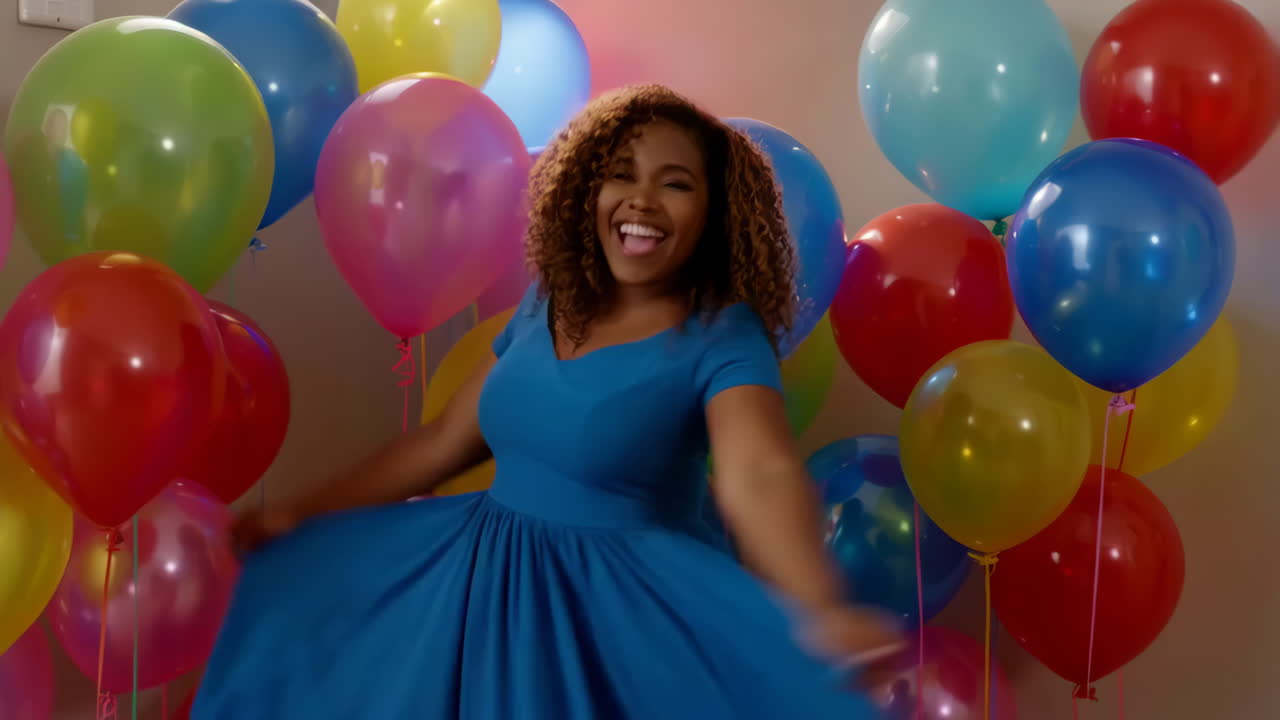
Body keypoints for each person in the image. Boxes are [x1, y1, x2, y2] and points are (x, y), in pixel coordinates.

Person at [194, 84, 902, 719]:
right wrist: (301, 514)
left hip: (617, 623)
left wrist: (814, 605)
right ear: (585, 192)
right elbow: (441, 444)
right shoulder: (547, 304)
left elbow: (759, 474)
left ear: (714, 212)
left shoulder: (721, 329)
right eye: (620, 176)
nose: (641, 201)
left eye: (676, 184)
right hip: (481, 594)